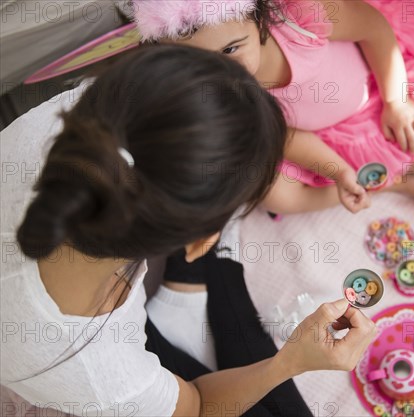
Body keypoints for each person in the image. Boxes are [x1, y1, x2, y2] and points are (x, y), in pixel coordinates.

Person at [0, 45, 376, 416]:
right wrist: (291, 361)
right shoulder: (100, 374)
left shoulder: (84, 113)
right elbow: (197, 407)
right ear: (199, 243)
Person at [130, 0, 414, 215]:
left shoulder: (301, 20)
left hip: (375, 92)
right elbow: (285, 136)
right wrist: (339, 172)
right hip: (320, 137)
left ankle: (382, 173)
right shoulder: (221, 91)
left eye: (231, 49)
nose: (222, 70)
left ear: (257, 17)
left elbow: (374, 28)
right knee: (277, 198)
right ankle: (390, 182)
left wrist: (397, 101)